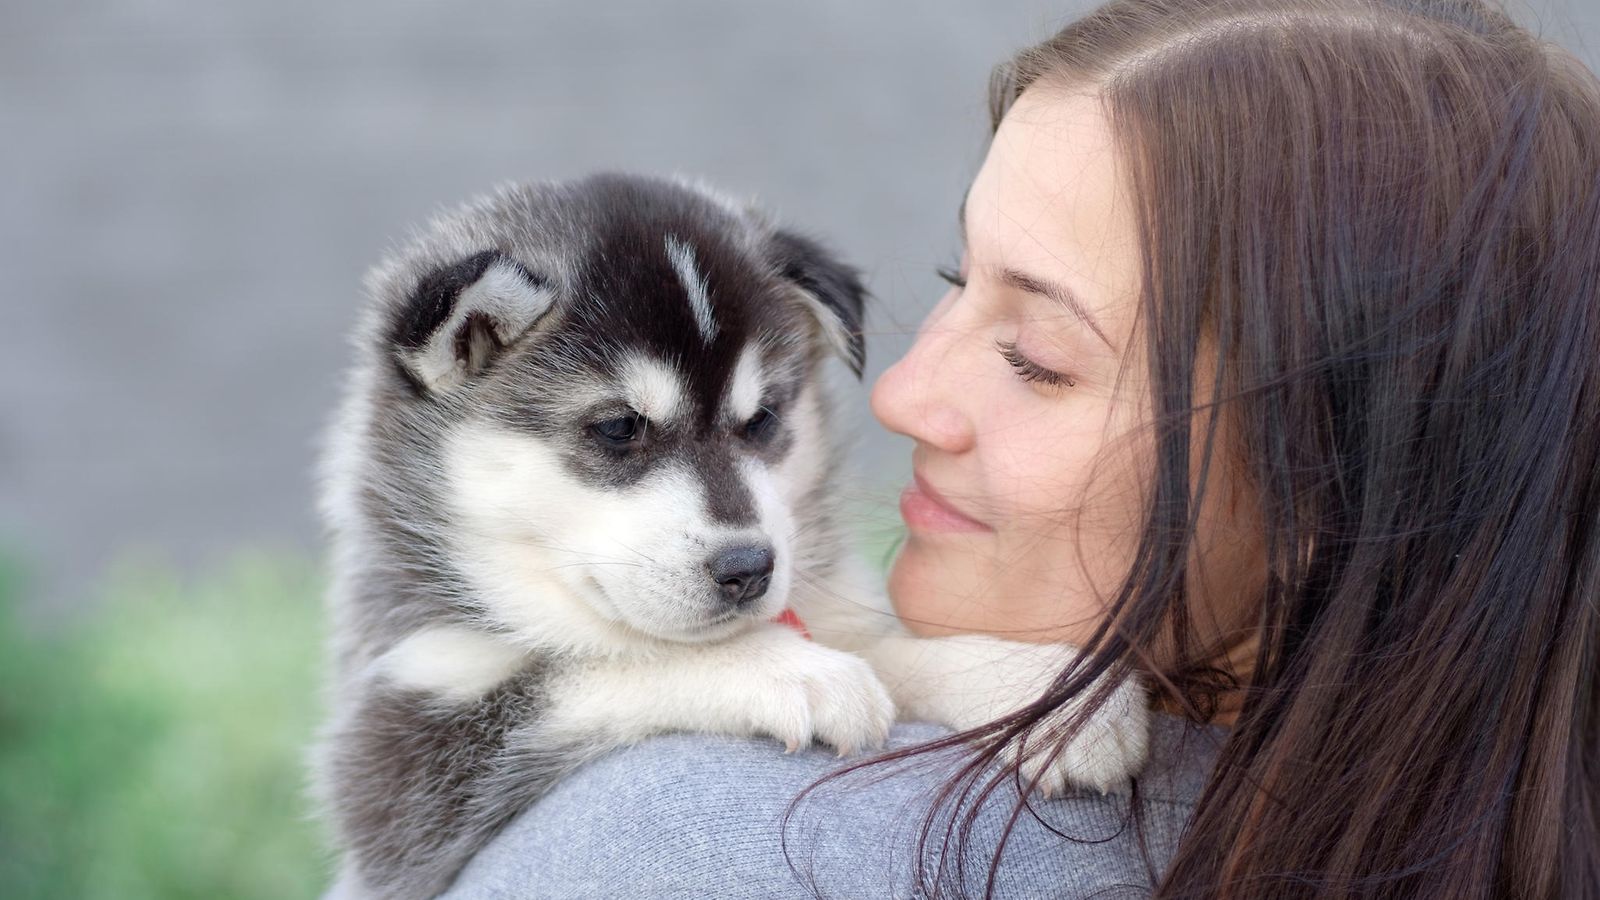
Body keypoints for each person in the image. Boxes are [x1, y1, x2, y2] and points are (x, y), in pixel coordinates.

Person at [440, 0, 1600, 896]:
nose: (899, 392)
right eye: (956, 285)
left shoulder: (732, 842)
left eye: (1037, 357)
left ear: (1332, 487)